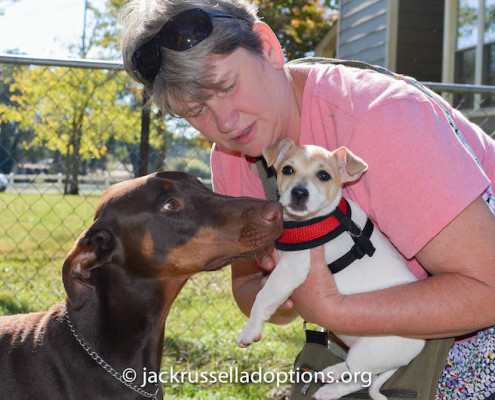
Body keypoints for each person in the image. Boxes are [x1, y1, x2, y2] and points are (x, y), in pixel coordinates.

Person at [119, 0, 495, 397]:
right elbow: (248, 288)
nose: (225, 123)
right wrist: (282, 288)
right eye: (196, 110)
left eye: (228, 86)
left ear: (268, 47)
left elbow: (487, 290)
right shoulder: (235, 156)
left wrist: (330, 308)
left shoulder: (379, 120)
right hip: (380, 343)